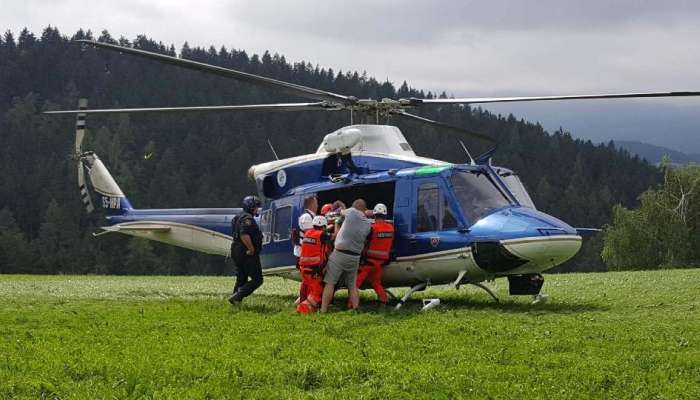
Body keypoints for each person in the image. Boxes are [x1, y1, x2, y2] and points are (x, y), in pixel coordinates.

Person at [320, 199, 371, 312]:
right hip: (355, 257)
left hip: (340, 254)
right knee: (352, 285)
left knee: (330, 283)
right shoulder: (368, 224)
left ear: (354, 207)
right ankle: (356, 308)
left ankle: (323, 310)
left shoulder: (352, 212)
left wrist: (338, 221)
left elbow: (340, 211)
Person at [356, 203, 394, 306]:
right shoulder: (391, 228)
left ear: (374, 215)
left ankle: (351, 305)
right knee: (376, 283)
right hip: (381, 262)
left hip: (368, 262)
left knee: (355, 284)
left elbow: (363, 242)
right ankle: (384, 301)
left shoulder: (372, 228)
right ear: (385, 215)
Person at [229, 195, 263, 304]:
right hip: (246, 252)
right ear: (251, 207)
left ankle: (235, 300)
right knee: (257, 279)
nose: (257, 209)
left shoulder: (237, 217)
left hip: (236, 249)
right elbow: (244, 234)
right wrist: (251, 249)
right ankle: (238, 295)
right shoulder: (248, 219)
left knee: (242, 277)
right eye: (256, 207)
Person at [296, 215, 332, 314]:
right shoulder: (322, 235)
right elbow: (332, 237)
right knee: (317, 292)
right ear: (324, 227)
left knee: (306, 288)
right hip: (315, 269)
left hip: (304, 268)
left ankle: (303, 304)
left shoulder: (308, 233)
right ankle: (302, 309)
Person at [294, 195, 318, 305]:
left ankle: (305, 300)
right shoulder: (306, 217)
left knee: (308, 279)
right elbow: (311, 234)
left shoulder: (312, 216)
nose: (317, 205)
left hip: (308, 253)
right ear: (312, 203)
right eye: (316, 202)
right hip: (302, 254)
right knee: (306, 280)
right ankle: (303, 301)